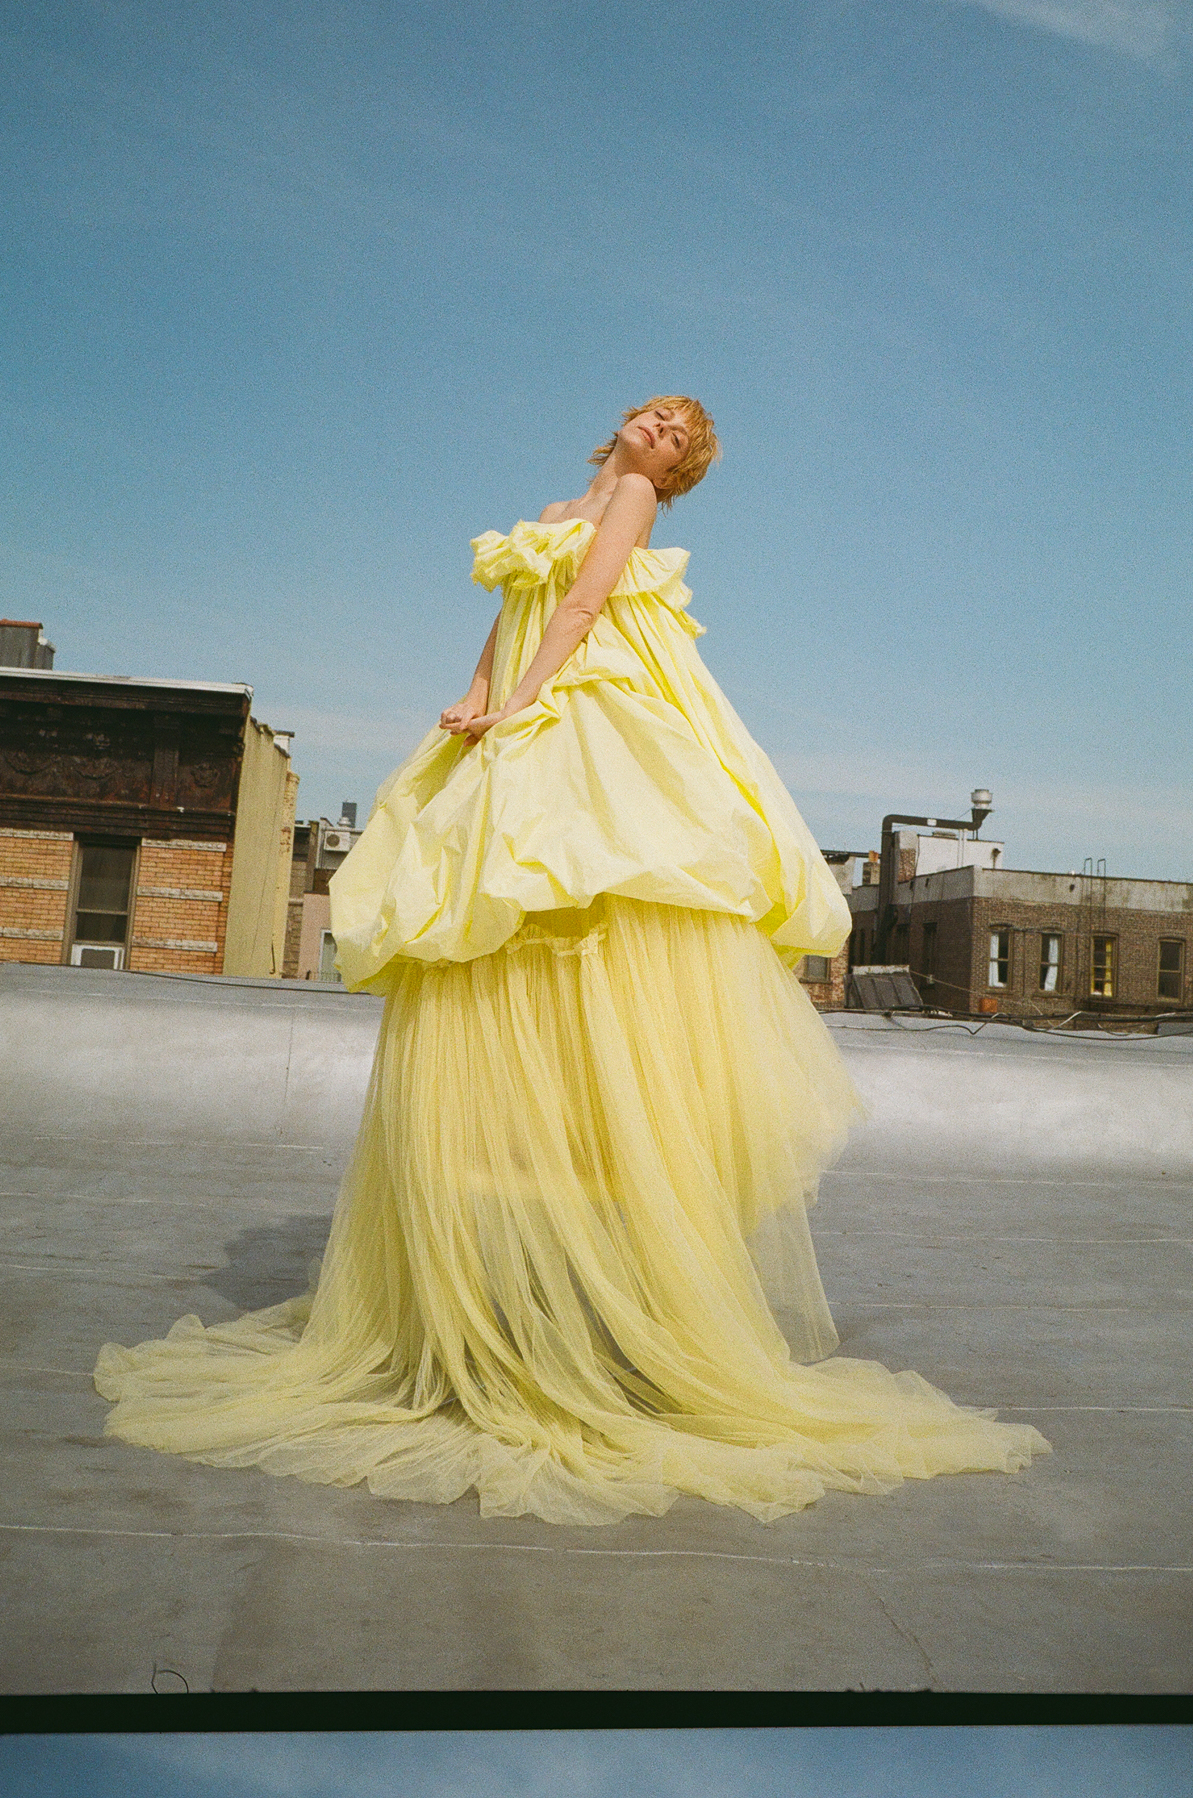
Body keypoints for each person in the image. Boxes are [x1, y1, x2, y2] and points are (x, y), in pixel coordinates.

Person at [95, 397, 1050, 1524]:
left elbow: (585, 605)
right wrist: (478, 691)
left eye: (678, 435)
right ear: (624, 422)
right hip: (526, 684)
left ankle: (597, 1273)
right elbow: (517, 607)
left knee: (591, 873)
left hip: (589, 696)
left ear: (677, 471)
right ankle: (519, 1267)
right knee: (509, 889)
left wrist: (525, 700)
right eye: (654, 415)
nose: (657, 431)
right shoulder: (558, 506)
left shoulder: (630, 498)